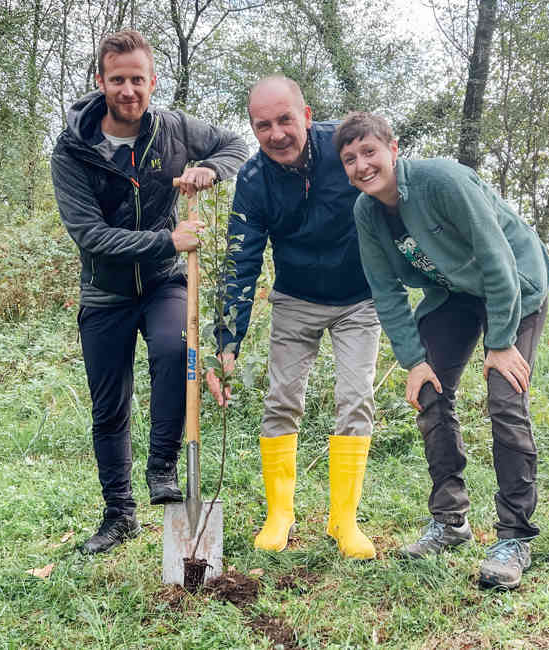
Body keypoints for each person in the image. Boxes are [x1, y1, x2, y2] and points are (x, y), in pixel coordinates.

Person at [334, 112, 549, 589]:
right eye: (350, 160)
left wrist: (500, 344)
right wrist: (414, 361)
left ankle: (514, 537)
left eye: (369, 152)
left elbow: (498, 260)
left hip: (516, 285)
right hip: (455, 293)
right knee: (430, 390)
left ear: (393, 147)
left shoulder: (443, 180)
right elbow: (386, 293)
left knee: (504, 396)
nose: (362, 166)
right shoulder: (368, 213)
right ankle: (450, 522)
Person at [51, 29, 247, 555]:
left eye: (138, 79)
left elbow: (236, 145)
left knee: (173, 349)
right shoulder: (72, 151)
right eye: (118, 80)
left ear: (152, 81)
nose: (129, 90)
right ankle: (119, 514)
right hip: (105, 292)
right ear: (100, 82)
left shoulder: (176, 129)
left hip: (164, 284)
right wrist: (168, 239)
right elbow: (90, 234)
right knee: (108, 406)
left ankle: (162, 466)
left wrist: (208, 169)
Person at [204, 76, 380, 559]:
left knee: (355, 398)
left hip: (358, 299)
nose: (276, 133)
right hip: (296, 300)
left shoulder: (345, 151)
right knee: (281, 400)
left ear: (305, 115)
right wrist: (228, 341)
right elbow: (241, 260)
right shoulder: (254, 180)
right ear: (253, 128)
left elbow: (388, 194)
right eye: (263, 125)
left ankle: (343, 521)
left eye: (285, 120)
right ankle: (280, 513)